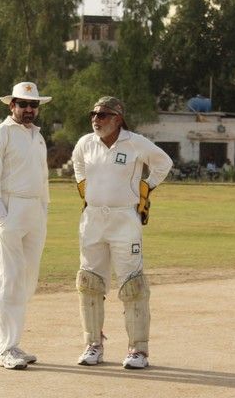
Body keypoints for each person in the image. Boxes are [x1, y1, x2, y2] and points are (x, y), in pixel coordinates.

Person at [71, 96, 173, 369]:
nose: (96, 119)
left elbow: (164, 163)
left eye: (103, 115)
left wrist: (147, 186)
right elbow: (78, 163)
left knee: (132, 284)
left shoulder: (135, 142)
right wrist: (83, 185)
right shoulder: (85, 143)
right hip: (92, 219)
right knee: (89, 282)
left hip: (124, 220)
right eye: (93, 114)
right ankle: (93, 345)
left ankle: (138, 350)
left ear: (117, 119)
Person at [0, 82, 51, 370]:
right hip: (9, 207)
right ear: (12, 105)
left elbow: (42, 178)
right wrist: (1, 216)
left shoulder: (38, 136)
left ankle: (1, 343)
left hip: (34, 210)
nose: (29, 109)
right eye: (23, 104)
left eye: (33, 104)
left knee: (28, 279)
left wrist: (43, 210)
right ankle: (8, 348)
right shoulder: (0, 134)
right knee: (10, 277)